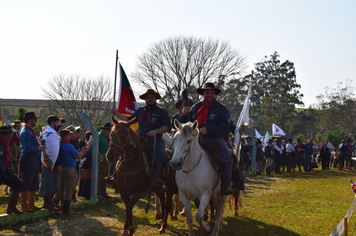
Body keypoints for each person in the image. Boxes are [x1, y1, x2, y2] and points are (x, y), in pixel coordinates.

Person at [180, 82, 233, 195]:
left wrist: (208, 129)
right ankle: (174, 184)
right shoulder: (196, 107)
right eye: (207, 92)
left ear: (215, 94)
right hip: (196, 138)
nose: (210, 95)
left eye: (212, 93)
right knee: (177, 152)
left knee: (227, 156)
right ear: (203, 94)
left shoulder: (222, 109)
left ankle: (225, 185)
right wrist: (184, 115)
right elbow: (187, 123)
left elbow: (224, 126)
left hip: (214, 138)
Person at [111, 88, 172, 188]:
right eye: (148, 98)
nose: (150, 99)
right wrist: (117, 114)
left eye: (152, 97)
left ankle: (157, 178)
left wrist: (155, 131)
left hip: (155, 140)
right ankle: (114, 175)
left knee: (159, 154)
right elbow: (129, 120)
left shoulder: (162, 112)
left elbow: (167, 127)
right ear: (145, 99)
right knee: (124, 151)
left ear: (155, 99)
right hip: (140, 140)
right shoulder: (140, 111)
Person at [53, 129, 88, 214]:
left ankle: (55, 203)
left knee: (60, 187)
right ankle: (66, 208)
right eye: (69, 135)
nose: (70, 136)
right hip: (70, 168)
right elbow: (78, 156)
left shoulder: (60, 145)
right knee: (69, 189)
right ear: (65, 136)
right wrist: (83, 150)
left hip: (62, 168)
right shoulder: (69, 146)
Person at [19, 112, 46, 212]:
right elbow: (27, 148)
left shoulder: (29, 131)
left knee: (34, 181)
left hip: (32, 159)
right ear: (30, 120)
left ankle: (30, 204)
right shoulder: (26, 132)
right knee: (26, 182)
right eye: (35, 119)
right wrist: (39, 148)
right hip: (28, 158)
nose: (36, 121)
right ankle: (24, 205)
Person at [39, 115, 62, 210]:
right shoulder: (48, 133)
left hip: (54, 162)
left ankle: (51, 202)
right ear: (53, 123)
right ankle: (46, 203)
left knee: (53, 183)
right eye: (57, 123)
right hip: (48, 161)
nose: (59, 125)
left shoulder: (53, 133)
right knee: (48, 183)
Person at [0, 125, 24, 214]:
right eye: (10, 134)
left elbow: (6, 155)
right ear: (4, 134)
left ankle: (11, 207)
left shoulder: (5, 143)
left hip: (5, 170)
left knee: (18, 184)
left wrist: (10, 165)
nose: (11, 136)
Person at [97, 122, 113, 199]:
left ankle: (103, 193)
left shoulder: (107, 137)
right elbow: (93, 147)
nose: (109, 132)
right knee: (99, 176)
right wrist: (99, 154)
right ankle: (97, 193)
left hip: (105, 160)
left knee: (104, 176)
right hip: (100, 160)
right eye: (108, 130)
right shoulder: (99, 136)